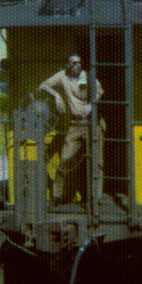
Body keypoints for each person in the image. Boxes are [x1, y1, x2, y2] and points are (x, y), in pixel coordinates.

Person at [39, 54, 104, 205]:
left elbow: (100, 91)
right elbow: (43, 85)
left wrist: (91, 105)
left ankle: (96, 198)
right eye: (74, 64)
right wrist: (56, 96)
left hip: (92, 124)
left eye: (79, 63)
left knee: (96, 161)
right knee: (65, 159)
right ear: (67, 65)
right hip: (75, 125)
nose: (78, 66)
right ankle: (58, 196)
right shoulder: (62, 76)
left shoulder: (88, 76)